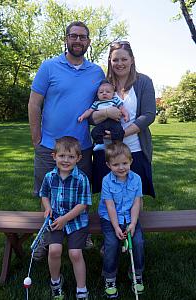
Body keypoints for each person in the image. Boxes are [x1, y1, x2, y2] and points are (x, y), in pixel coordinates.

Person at [28, 21, 105, 257]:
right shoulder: (49, 67)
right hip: (50, 146)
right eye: (74, 36)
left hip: (81, 148)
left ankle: (80, 235)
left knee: (78, 194)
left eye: (83, 37)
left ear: (88, 42)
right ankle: (46, 238)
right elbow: (34, 103)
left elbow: (100, 105)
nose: (78, 41)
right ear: (66, 39)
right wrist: (36, 138)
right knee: (47, 195)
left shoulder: (96, 72)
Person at [91, 41, 156, 198]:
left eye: (124, 59)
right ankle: (110, 222)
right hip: (106, 151)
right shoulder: (103, 85)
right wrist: (107, 112)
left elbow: (148, 115)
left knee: (134, 196)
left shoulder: (143, 82)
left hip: (135, 150)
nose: (119, 63)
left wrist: (120, 134)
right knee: (109, 197)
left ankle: (133, 223)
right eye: (115, 60)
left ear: (132, 59)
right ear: (110, 61)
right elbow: (91, 117)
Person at [40, 136, 91, 300]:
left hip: (76, 221)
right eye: (62, 156)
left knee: (75, 253)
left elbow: (83, 205)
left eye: (71, 157)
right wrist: (47, 208)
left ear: (78, 158)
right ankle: (55, 282)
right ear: (54, 156)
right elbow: (44, 195)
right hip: (55, 220)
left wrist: (65, 219)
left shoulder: (82, 179)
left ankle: (81, 288)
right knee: (54, 251)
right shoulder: (49, 177)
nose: (66, 160)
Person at [98, 142, 144, 298]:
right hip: (110, 218)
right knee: (111, 243)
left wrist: (132, 223)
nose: (121, 167)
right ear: (108, 165)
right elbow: (109, 206)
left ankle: (136, 273)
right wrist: (116, 226)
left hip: (131, 217)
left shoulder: (136, 179)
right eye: (116, 164)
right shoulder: (106, 181)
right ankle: (110, 277)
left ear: (130, 161)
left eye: (124, 163)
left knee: (137, 242)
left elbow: (137, 202)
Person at [78, 79, 129, 151]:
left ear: (113, 94)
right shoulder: (97, 103)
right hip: (101, 122)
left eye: (108, 92)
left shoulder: (115, 100)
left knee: (119, 131)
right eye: (101, 92)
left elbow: (122, 108)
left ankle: (117, 145)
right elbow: (89, 111)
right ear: (97, 95)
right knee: (95, 132)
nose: (104, 93)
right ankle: (100, 144)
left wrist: (126, 115)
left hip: (114, 122)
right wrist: (83, 116)